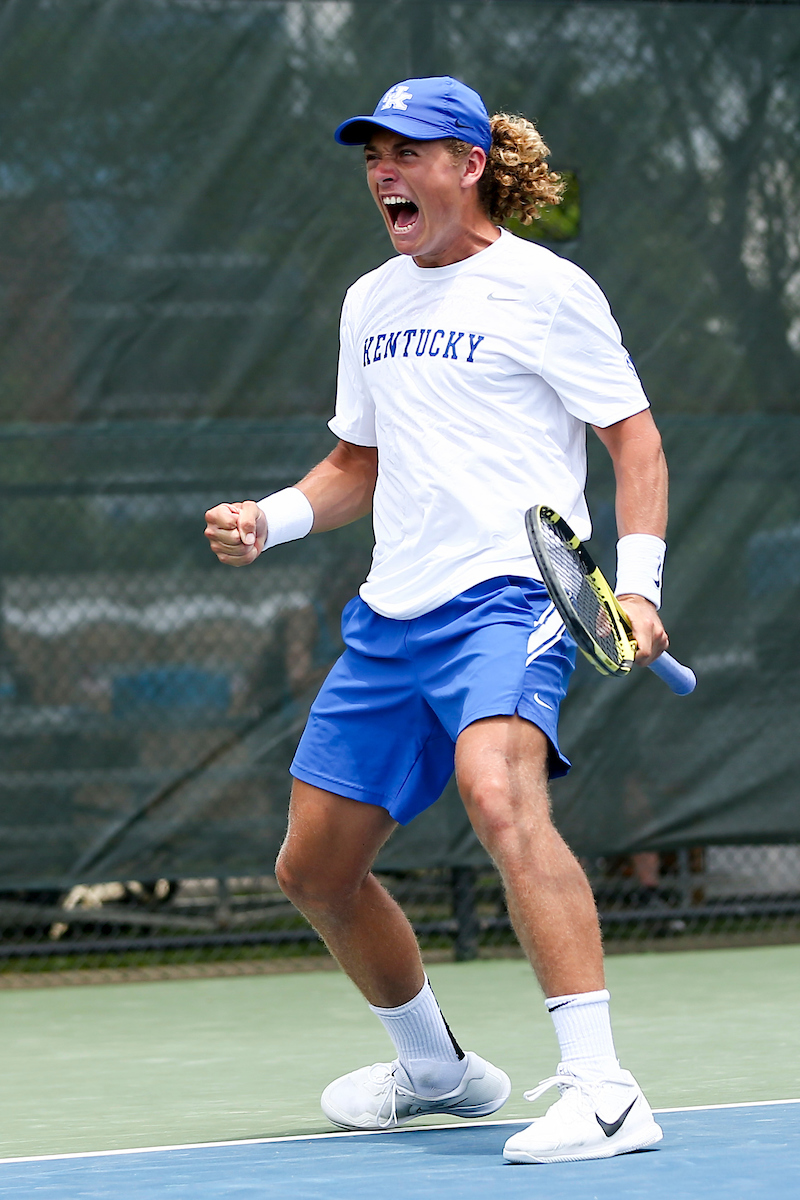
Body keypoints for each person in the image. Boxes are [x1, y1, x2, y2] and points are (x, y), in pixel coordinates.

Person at [205, 76, 669, 1164]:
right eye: (373, 153)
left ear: (468, 165)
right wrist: (267, 521)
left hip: (509, 596)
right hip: (390, 615)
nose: (383, 171)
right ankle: (435, 1069)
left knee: (496, 793)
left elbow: (633, 442)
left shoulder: (547, 290)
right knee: (312, 869)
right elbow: (354, 462)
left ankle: (602, 1091)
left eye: (407, 151)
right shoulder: (370, 301)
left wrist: (637, 585)